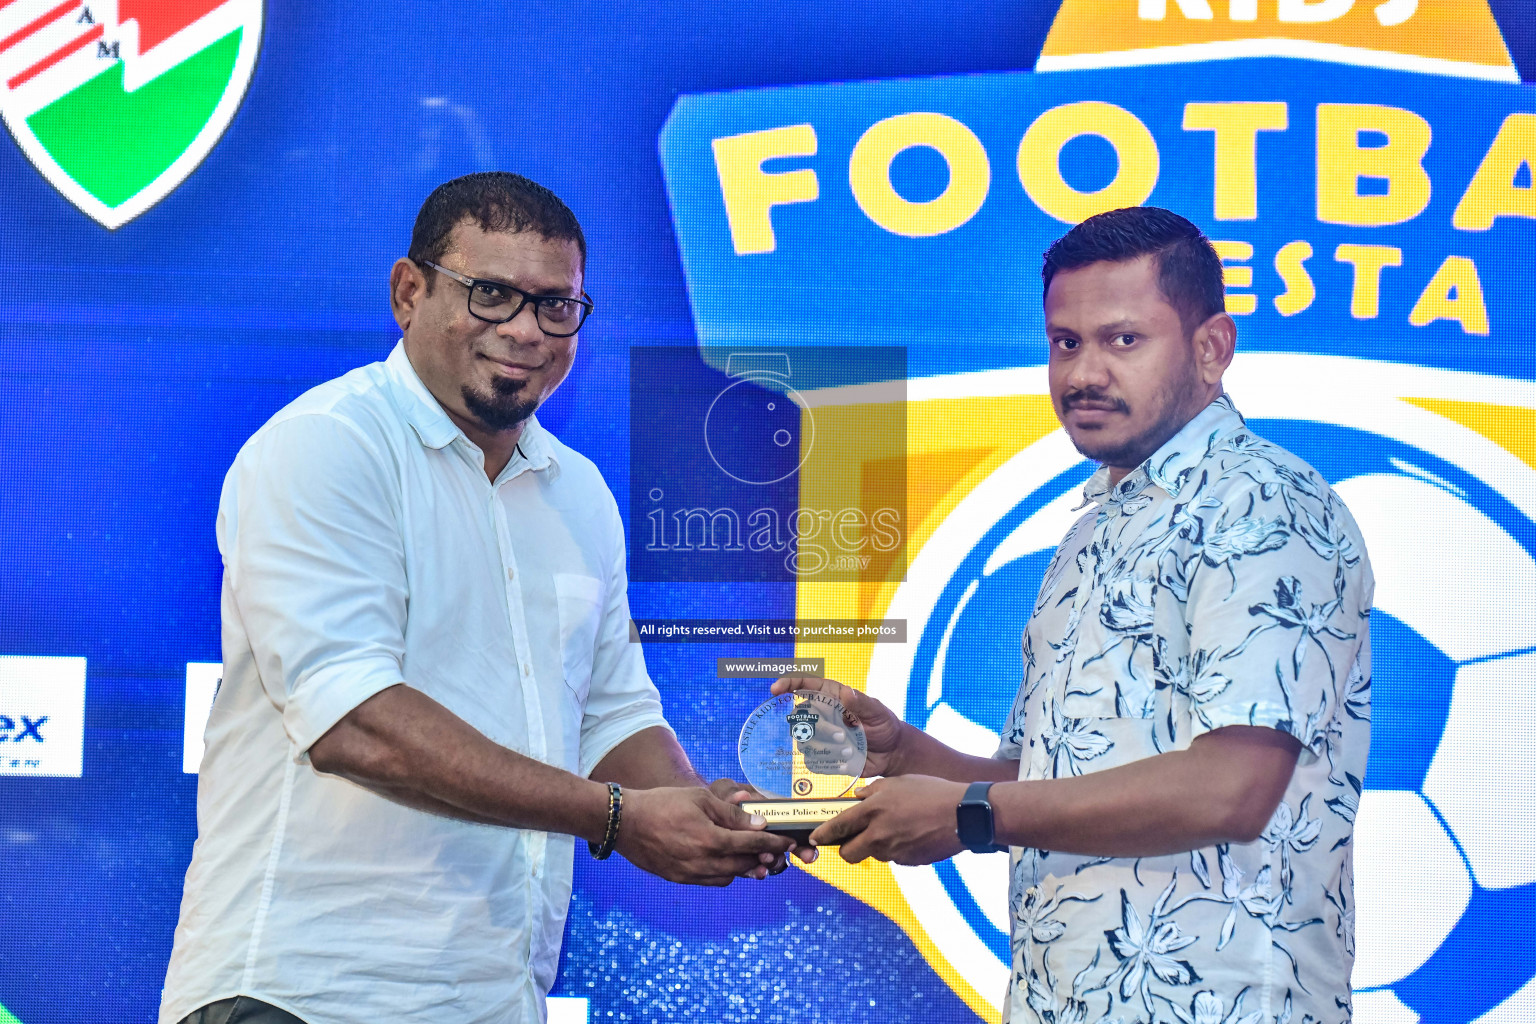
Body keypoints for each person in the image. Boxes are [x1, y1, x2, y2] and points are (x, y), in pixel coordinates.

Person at [160, 172, 801, 1024]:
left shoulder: (581, 497)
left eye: (556, 307)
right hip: (301, 990)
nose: (526, 332)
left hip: (494, 998)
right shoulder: (325, 449)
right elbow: (355, 724)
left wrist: (702, 808)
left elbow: (612, 717)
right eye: (492, 294)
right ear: (408, 291)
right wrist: (619, 817)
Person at [779, 207, 1373, 1023]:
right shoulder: (1093, 526)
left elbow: (1232, 790)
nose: (1084, 372)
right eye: (1066, 342)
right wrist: (905, 752)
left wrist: (969, 815)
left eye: (1123, 340)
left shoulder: (1264, 506)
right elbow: (1048, 787)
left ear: (1212, 348)